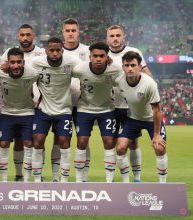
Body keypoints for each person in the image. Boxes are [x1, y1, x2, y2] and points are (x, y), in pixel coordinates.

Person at [107, 24, 154, 182]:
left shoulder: (133, 52)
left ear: (123, 36)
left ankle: (137, 178)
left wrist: (151, 92)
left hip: (130, 107)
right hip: (113, 106)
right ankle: (111, 178)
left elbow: (147, 75)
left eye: (118, 35)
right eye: (112, 36)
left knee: (133, 142)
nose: (115, 38)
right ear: (107, 38)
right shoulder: (103, 55)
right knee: (112, 143)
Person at [72, 41, 123, 182]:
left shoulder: (115, 69)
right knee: (81, 142)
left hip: (107, 109)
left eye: (102, 56)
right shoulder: (80, 69)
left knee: (108, 142)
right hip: (84, 109)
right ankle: (80, 180)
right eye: (95, 56)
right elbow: (64, 73)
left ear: (107, 57)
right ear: (90, 57)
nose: (98, 59)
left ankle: (109, 180)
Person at [32, 37, 80, 182]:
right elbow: (23, 72)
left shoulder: (71, 62)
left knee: (63, 142)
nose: (54, 53)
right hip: (43, 110)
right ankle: (36, 179)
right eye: (51, 50)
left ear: (62, 51)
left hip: (64, 110)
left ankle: (60, 179)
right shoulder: (36, 63)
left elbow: (88, 69)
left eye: (57, 50)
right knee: (38, 141)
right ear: (46, 51)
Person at [1, 24, 45, 182]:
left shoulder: (41, 53)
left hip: (36, 107)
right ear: (17, 36)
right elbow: (0, 73)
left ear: (33, 36)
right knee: (18, 142)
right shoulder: (8, 53)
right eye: (22, 35)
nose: (25, 38)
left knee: (37, 141)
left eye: (28, 35)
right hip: (13, 106)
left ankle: (38, 173)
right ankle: (19, 174)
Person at [116, 51, 168, 183]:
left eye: (133, 65)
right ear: (123, 67)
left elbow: (157, 109)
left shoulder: (149, 83)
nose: (130, 68)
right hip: (132, 119)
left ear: (140, 66)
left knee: (159, 148)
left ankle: (163, 184)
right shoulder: (119, 81)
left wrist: (157, 134)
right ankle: (127, 182)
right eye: (126, 65)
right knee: (120, 148)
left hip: (151, 120)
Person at [0, 48, 39, 182]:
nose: (16, 65)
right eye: (12, 62)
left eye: (19, 62)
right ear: (8, 63)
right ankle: (3, 180)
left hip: (27, 113)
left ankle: (25, 178)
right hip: (7, 113)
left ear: (23, 62)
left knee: (28, 143)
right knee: (4, 143)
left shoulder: (32, 73)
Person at [62, 18, 91, 182]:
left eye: (73, 30)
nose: (71, 33)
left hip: (83, 104)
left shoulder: (88, 51)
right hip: (62, 104)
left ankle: (83, 178)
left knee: (83, 140)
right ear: (63, 33)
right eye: (68, 31)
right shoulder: (56, 51)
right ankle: (59, 177)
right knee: (61, 140)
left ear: (78, 32)